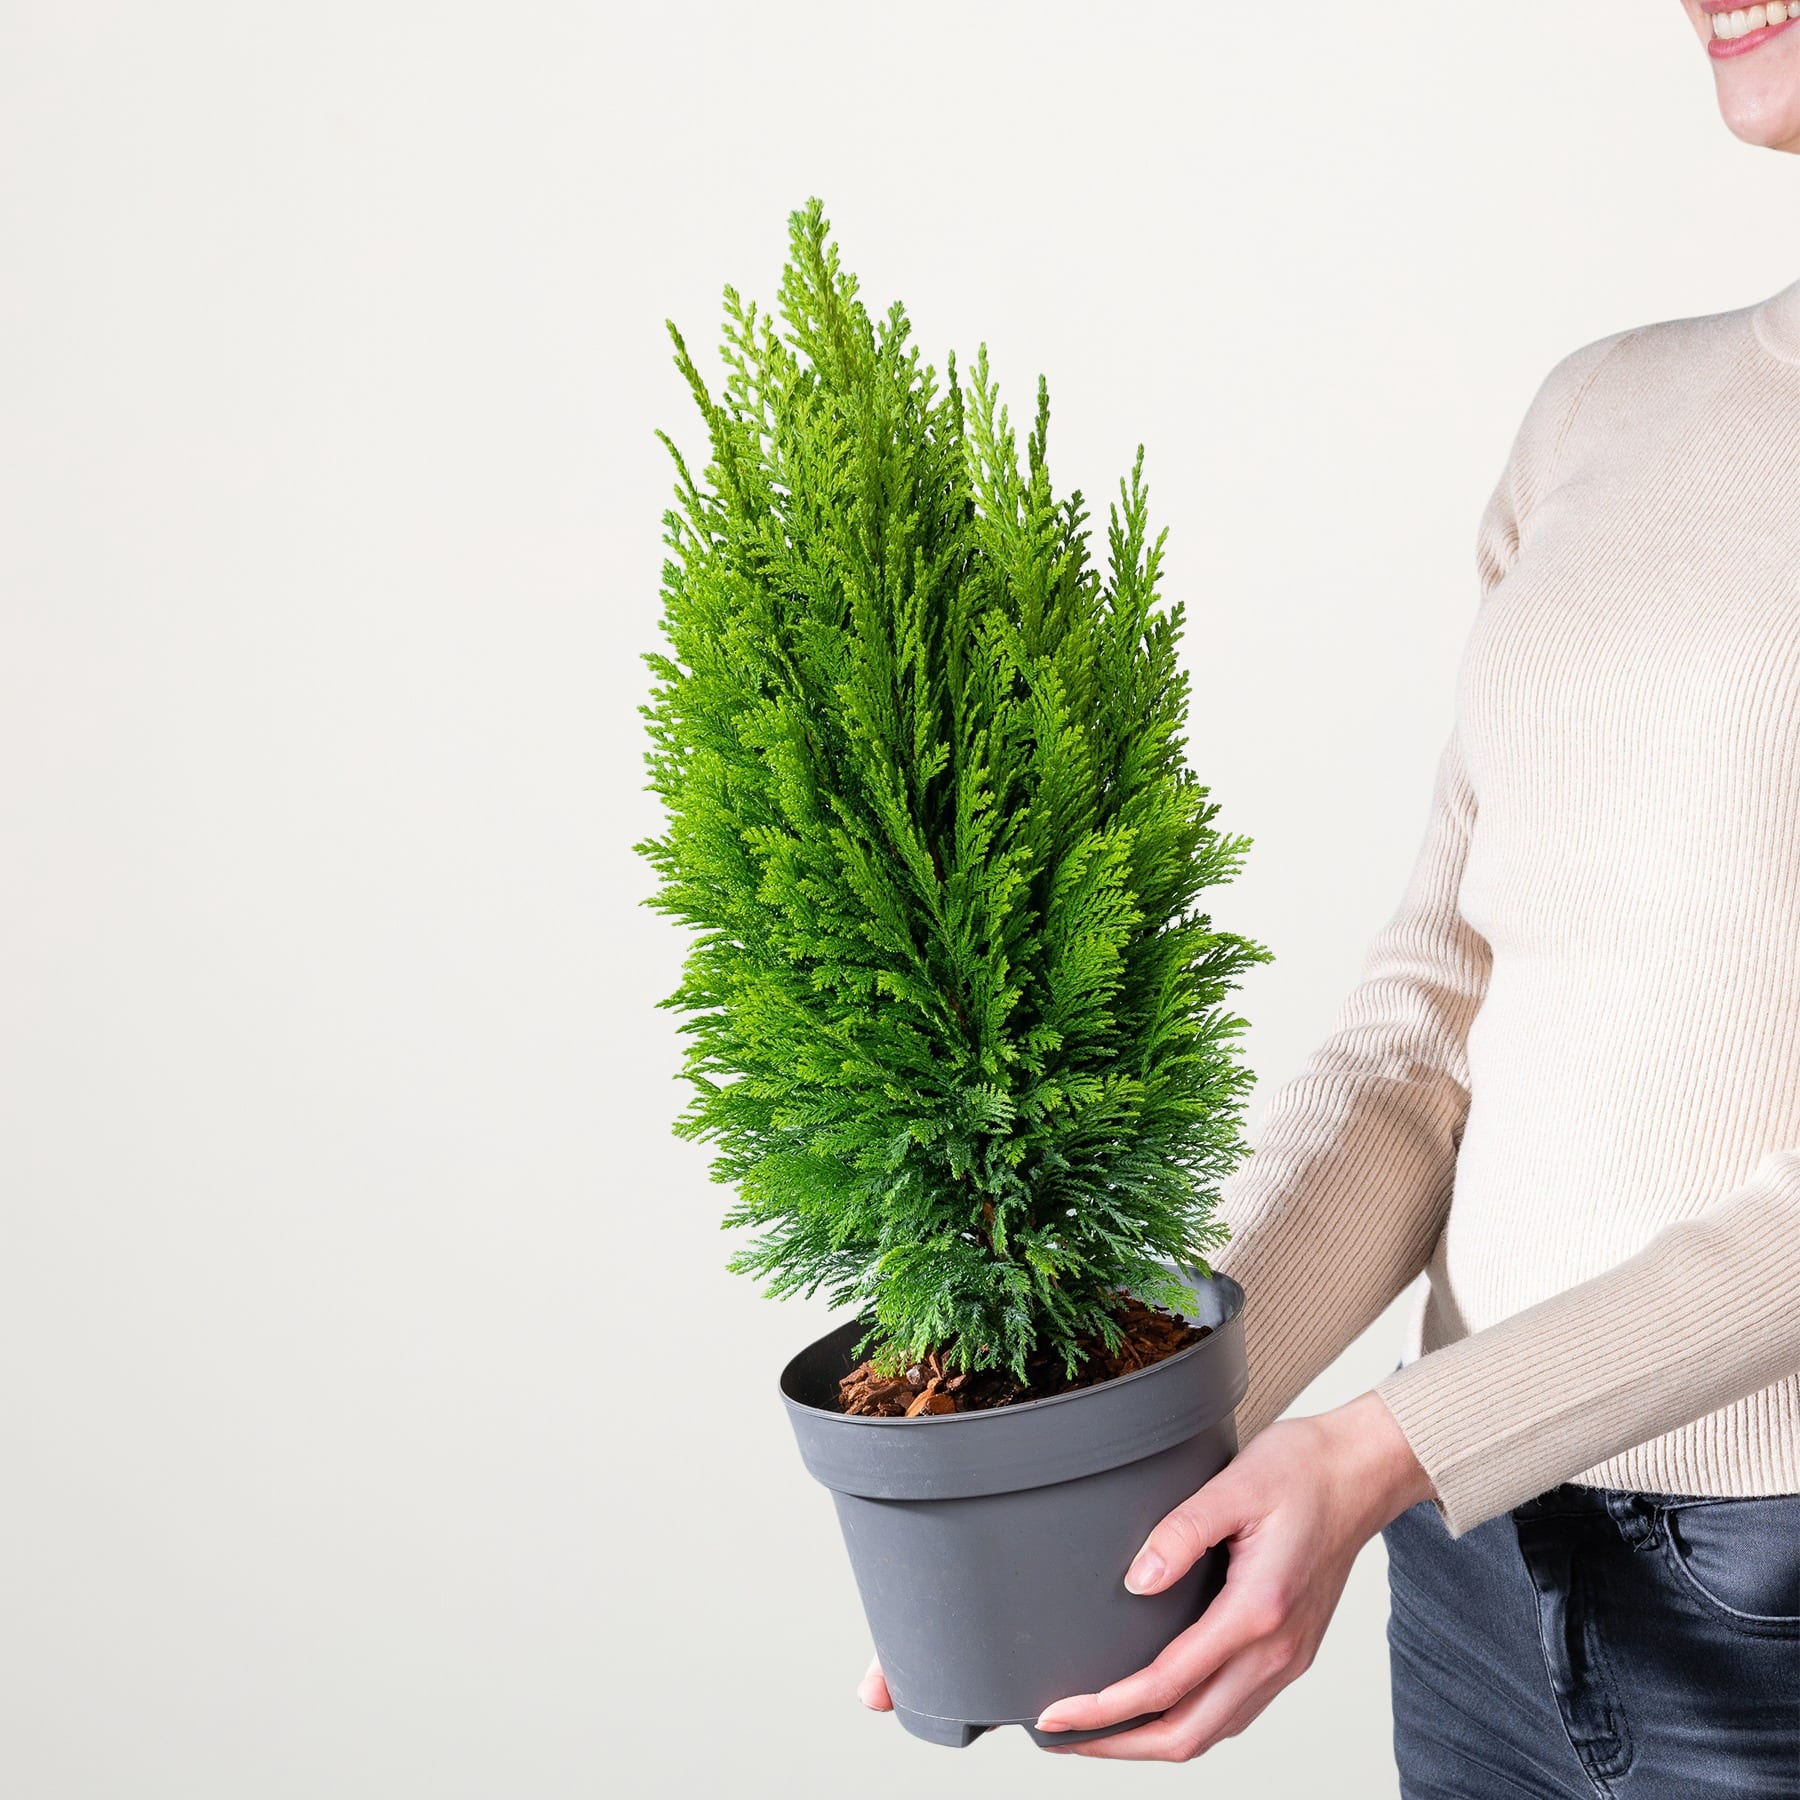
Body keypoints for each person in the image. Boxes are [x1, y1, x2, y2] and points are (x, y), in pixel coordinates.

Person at [858, 5, 1800, 1789]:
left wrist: (1383, 1448)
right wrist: (1111, 1434)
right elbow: (1427, 1027)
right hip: (1475, 1554)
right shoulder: (1601, 413)